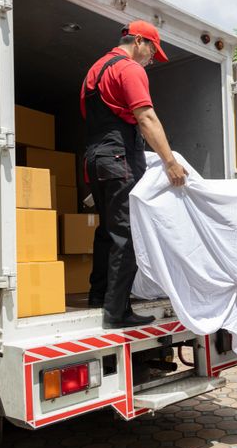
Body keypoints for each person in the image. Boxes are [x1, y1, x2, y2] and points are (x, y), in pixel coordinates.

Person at [80, 20, 187, 327]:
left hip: (95, 158)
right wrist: (169, 162)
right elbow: (146, 117)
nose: (151, 58)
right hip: (119, 157)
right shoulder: (129, 69)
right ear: (138, 41)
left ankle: (99, 296)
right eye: (152, 49)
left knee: (107, 230)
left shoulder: (95, 69)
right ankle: (117, 312)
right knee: (125, 234)